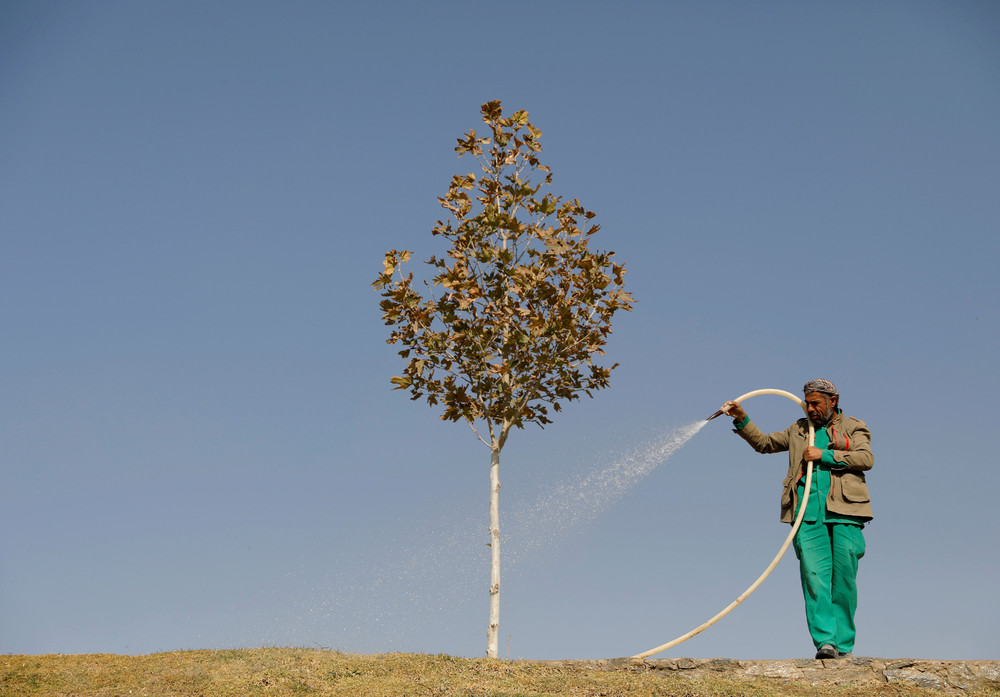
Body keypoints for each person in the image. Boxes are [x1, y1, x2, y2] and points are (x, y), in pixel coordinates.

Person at [720, 379, 873, 660]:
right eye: (808, 403)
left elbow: (865, 458)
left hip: (847, 513)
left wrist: (823, 454)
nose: (811, 408)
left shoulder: (854, 426)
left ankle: (844, 645)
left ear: (833, 401)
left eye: (816, 403)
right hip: (805, 513)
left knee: (845, 580)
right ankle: (825, 642)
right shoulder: (798, 429)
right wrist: (742, 419)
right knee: (814, 578)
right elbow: (765, 444)